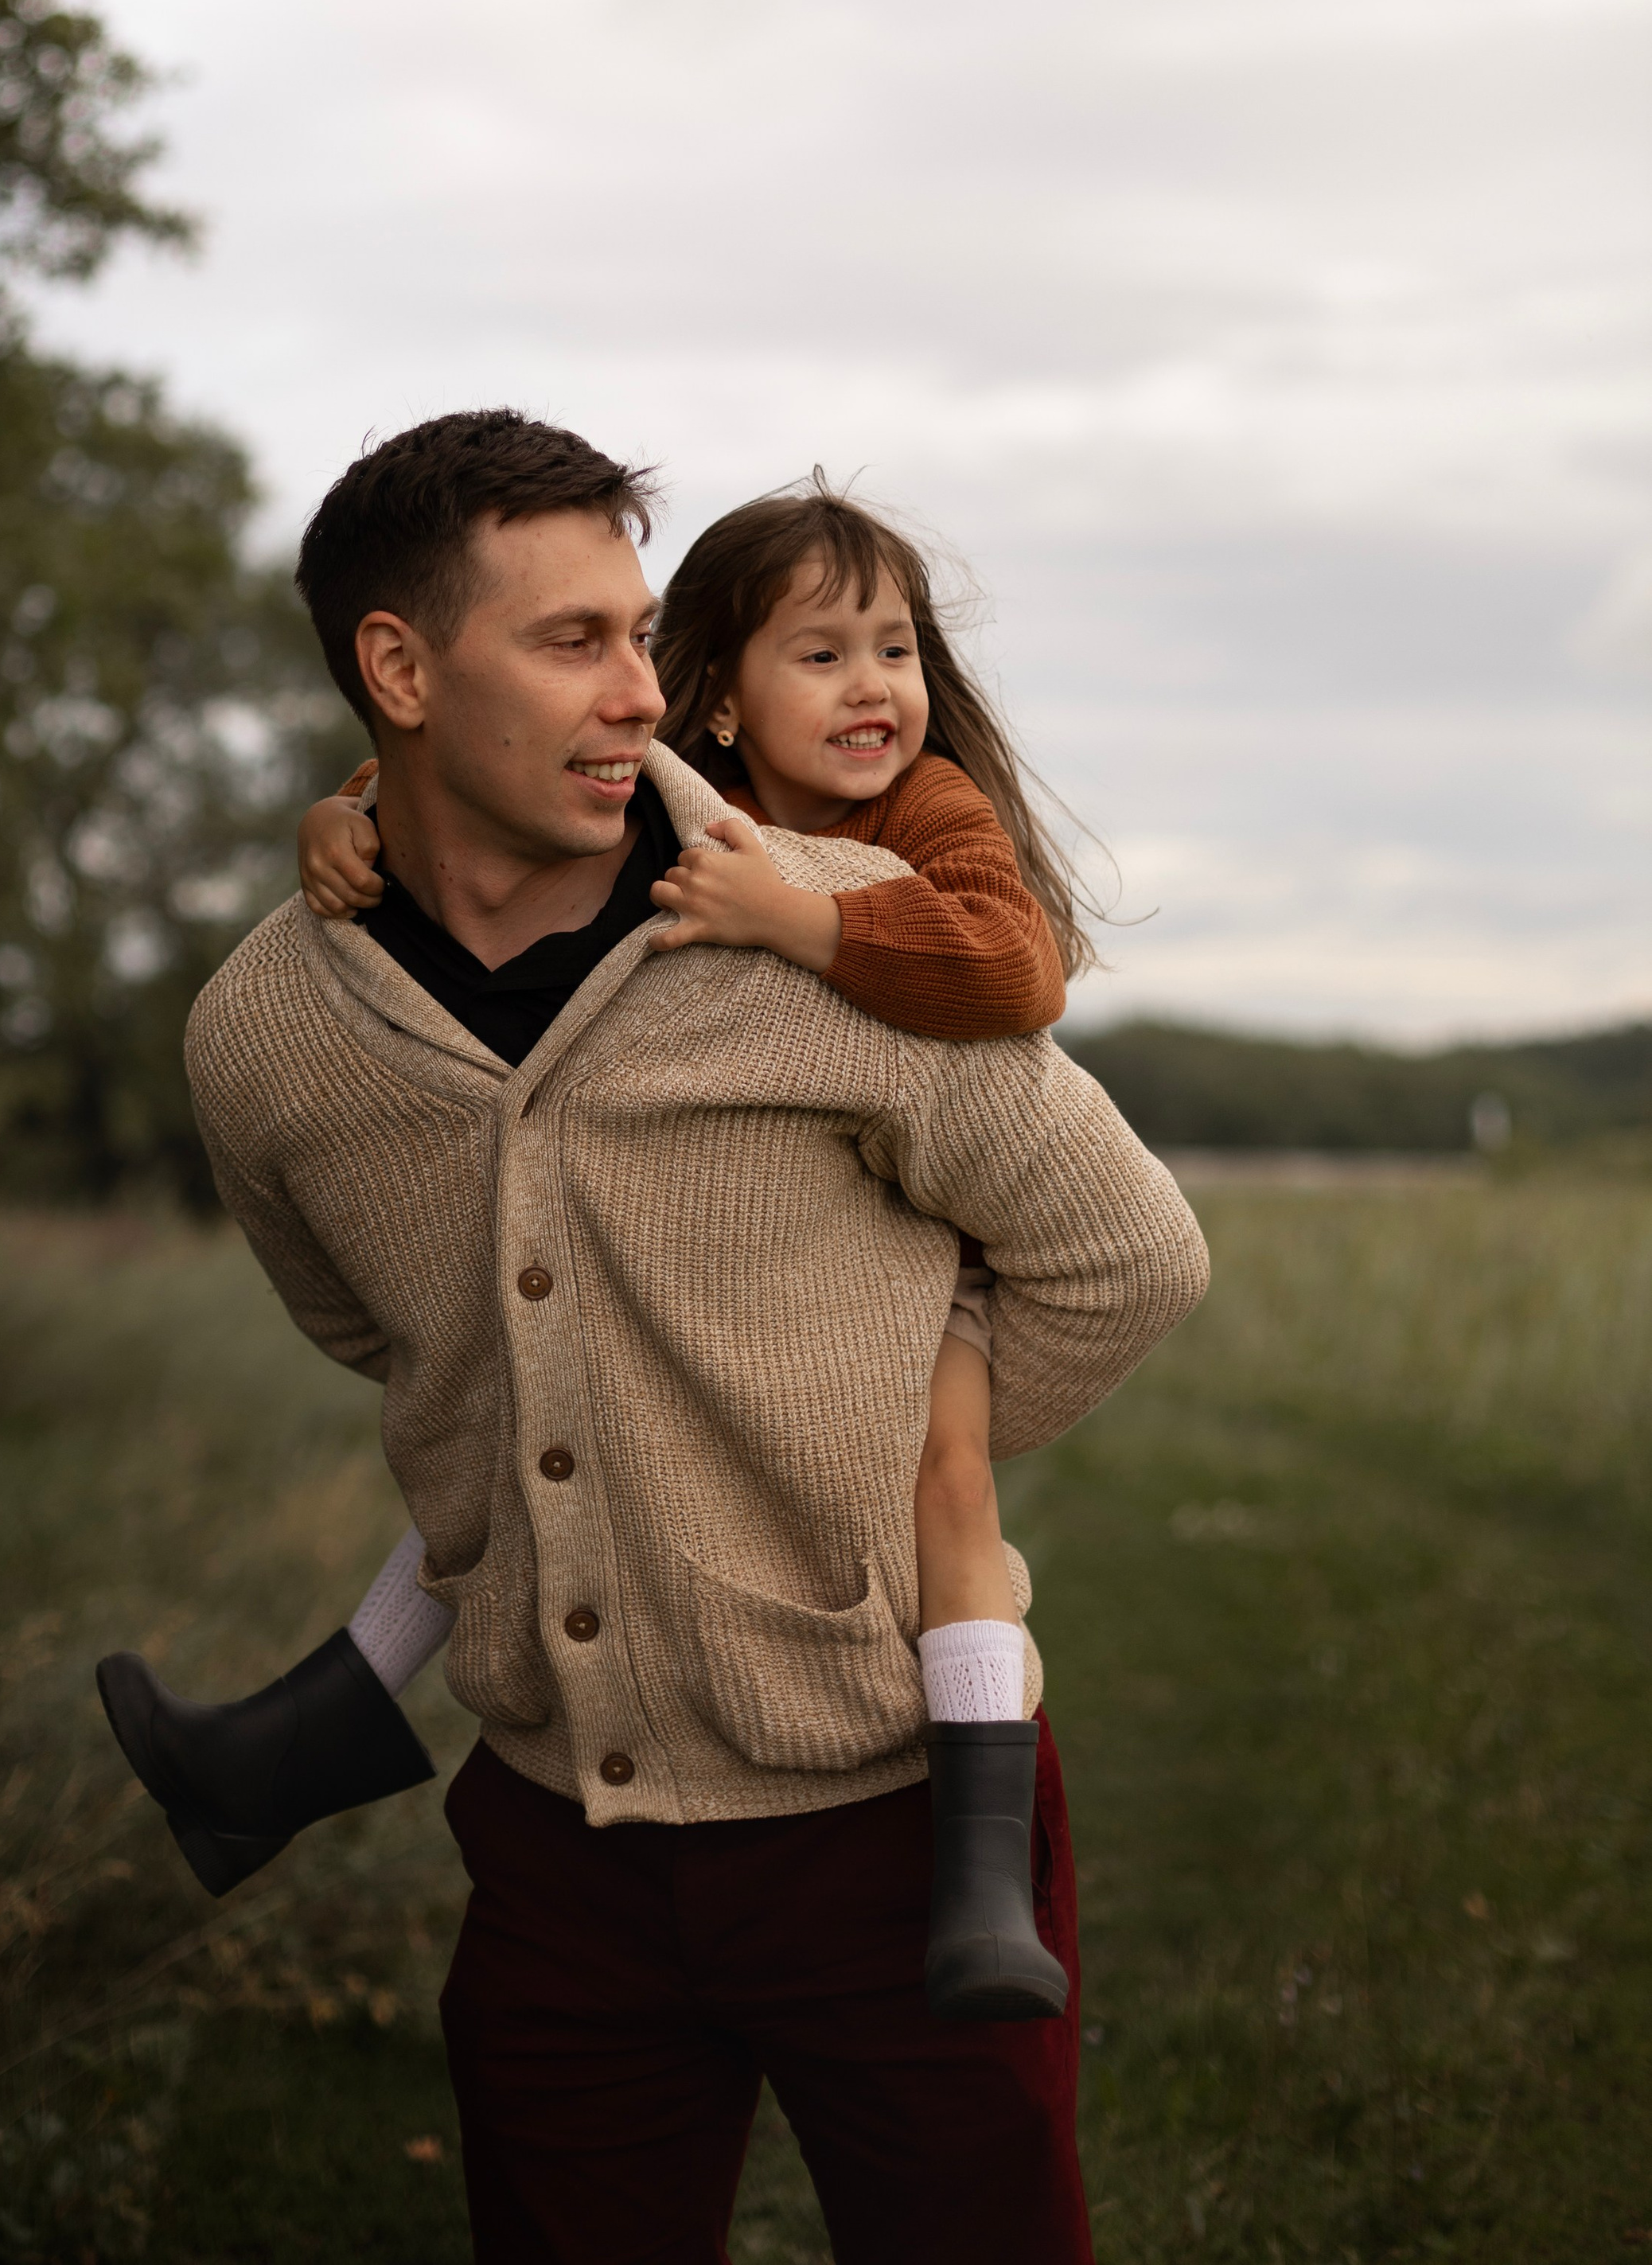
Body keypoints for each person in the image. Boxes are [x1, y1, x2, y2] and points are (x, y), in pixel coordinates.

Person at [98, 408, 1208, 2265]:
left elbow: (1123, 1257)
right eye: (572, 642)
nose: (641, 691)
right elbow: (385, 1342)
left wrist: (863, 1460)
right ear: (396, 669)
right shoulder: (262, 1040)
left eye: (639, 633)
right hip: (550, 1853)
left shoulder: (834, 928)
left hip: (893, 1828)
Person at [291, 477, 1093, 2018]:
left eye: (896, 649)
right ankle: (317, 1715)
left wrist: (798, 917)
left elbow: (1013, 966)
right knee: (529, 1426)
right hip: (781, 1264)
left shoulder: (915, 809)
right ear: (716, 697)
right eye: (822, 654)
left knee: (938, 1482)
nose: (875, 688)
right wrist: (334, 819)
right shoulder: (637, 797)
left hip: (935, 1260)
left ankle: (979, 1862)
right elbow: (430, 770)